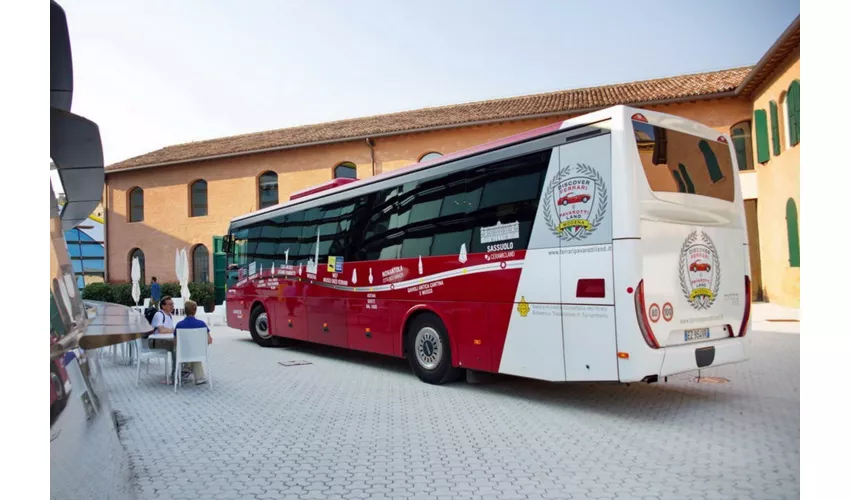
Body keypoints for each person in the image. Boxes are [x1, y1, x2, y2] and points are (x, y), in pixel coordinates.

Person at [174, 300, 212, 385]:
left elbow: (175, 342)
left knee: (186, 350)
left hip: (183, 354)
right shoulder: (202, 324)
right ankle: (199, 377)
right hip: (199, 353)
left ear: (184, 311)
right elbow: (209, 340)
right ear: (195, 311)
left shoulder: (179, 325)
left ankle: (186, 368)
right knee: (194, 351)